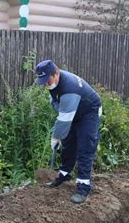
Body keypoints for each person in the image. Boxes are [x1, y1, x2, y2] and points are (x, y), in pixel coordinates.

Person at [35, 60, 102, 204]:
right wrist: (61, 135)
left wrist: (56, 136)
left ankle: (83, 187)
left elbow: (64, 119)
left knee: (85, 148)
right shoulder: (55, 84)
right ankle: (64, 175)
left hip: (89, 112)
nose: (46, 84)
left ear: (57, 73)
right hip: (74, 112)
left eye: (48, 80)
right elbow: (60, 109)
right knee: (68, 143)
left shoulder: (69, 88)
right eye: (44, 81)